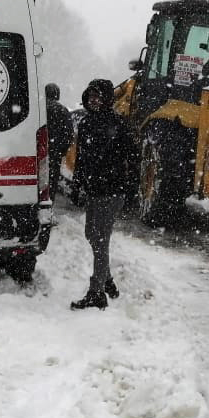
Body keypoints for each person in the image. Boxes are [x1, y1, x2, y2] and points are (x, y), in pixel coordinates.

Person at [70, 78, 137, 310]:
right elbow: (81, 157)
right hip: (93, 190)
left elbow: (134, 157)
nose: (94, 100)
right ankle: (107, 280)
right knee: (91, 234)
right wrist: (77, 184)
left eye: (98, 97)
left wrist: (130, 189)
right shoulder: (87, 123)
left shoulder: (118, 124)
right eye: (91, 97)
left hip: (112, 190)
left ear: (108, 99)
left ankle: (96, 292)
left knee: (100, 240)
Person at [45, 83, 73, 199]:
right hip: (54, 153)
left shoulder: (39, 108)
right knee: (51, 182)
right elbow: (69, 133)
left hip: (38, 152)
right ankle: (48, 204)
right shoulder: (62, 110)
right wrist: (62, 151)